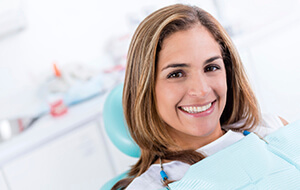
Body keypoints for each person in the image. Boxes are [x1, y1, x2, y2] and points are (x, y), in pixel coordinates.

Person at [112, 4, 288, 190]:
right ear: (145, 88)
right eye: (176, 74)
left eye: (211, 68)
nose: (202, 90)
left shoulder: (271, 129)